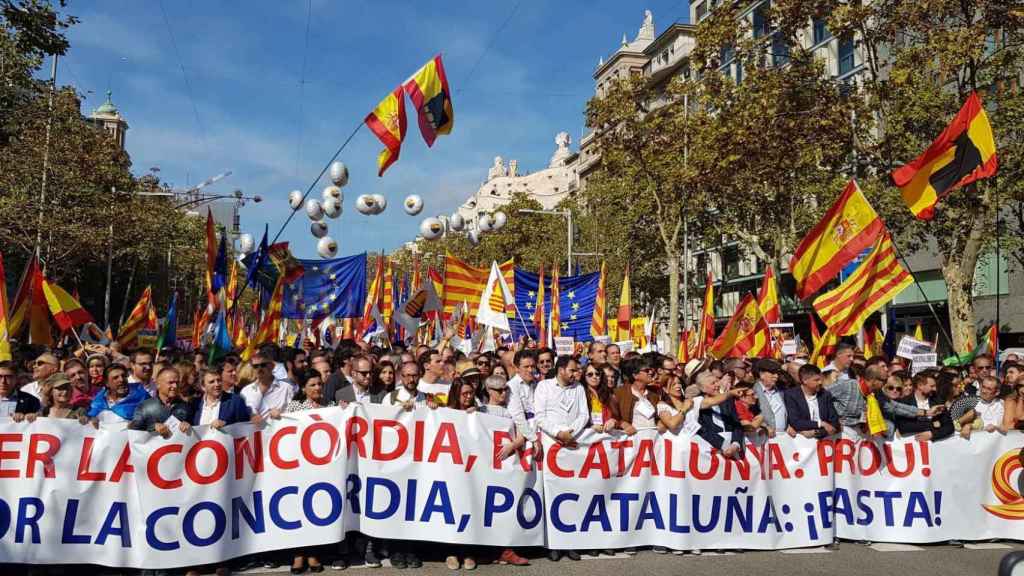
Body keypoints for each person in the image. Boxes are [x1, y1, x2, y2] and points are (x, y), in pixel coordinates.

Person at [534, 356, 585, 562]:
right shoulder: (544, 387)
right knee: (551, 492)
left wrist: (570, 433)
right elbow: (540, 416)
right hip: (551, 443)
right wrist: (557, 433)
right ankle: (552, 544)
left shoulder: (578, 388)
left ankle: (570, 542)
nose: (576, 374)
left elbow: (583, 414)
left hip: (572, 443)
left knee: (571, 492)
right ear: (561, 369)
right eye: (572, 370)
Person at [129, 367, 193, 436]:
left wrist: (189, 426)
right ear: (158, 384)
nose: (175, 386)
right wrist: (152, 427)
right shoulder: (145, 407)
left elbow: (195, 432)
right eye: (170, 383)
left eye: (177, 382)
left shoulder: (185, 407)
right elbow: (133, 431)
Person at [695, 370, 745, 458]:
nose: (717, 385)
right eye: (712, 383)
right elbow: (702, 430)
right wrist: (723, 445)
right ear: (703, 388)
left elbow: (736, 424)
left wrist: (735, 444)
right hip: (710, 453)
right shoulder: (697, 403)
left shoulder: (728, 401)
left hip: (733, 451)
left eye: (717, 381)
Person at [783, 364, 840, 439]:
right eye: (816, 380)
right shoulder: (791, 395)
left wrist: (816, 433)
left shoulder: (825, 394)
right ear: (804, 380)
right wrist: (820, 424)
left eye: (820, 379)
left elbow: (834, 423)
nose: (820, 382)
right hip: (800, 443)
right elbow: (795, 422)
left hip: (824, 442)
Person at [895, 371, 953, 441]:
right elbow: (903, 427)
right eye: (931, 386)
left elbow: (949, 426)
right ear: (920, 385)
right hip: (912, 447)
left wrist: (932, 434)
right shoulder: (904, 402)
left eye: (935, 386)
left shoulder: (937, 401)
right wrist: (932, 425)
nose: (935, 389)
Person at [610, 356, 661, 435]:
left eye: (650, 370)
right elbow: (612, 417)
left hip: (653, 440)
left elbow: (659, 417)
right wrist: (622, 424)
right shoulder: (619, 394)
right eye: (647, 371)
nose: (651, 372)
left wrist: (661, 423)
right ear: (635, 375)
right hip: (632, 441)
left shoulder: (654, 394)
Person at [189, 369, 255, 429]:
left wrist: (226, 425)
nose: (217, 384)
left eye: (219, 380)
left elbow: (246, 427)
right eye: (212, 382)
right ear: (203, 386)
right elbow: (190, 424)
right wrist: (185, 425)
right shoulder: (195, 404)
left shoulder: (236, 401)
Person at [240, 351, 295, 419]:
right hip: (255, 429)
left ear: (272, 366)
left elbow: (294, 415)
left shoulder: (287, 388)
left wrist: (281, 415)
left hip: (279, 428)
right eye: (255, 366)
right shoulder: (246, 391)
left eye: (263, 365)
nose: (259, 369)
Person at [506, 350, 540, 450]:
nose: (530, 370)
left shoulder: (538, 384)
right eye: (526, 367)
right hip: (521, 438)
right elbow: (518, 416)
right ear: (516, 368)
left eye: (533, 366)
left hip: (537, 433)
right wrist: (533, 439)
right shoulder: (511, 386)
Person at [753, 359, 787, 437]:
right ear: (761, 374)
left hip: (783, 438)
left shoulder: (782, 391)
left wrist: (788, 426)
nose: (776, 376)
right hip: (763, 438)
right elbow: (748, 416)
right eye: (772, 373)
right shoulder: (752, 391)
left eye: (777, 373)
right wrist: (763, 427)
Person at [583, 363, 616, 433]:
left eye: (597, 374)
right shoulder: (581, 395)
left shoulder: (607, 395)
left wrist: (613, 421)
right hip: (588, 438)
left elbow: (616, 417)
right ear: (584, 376)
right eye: (590, 374)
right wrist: (590, 426)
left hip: (606, 437)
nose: (594, 377)